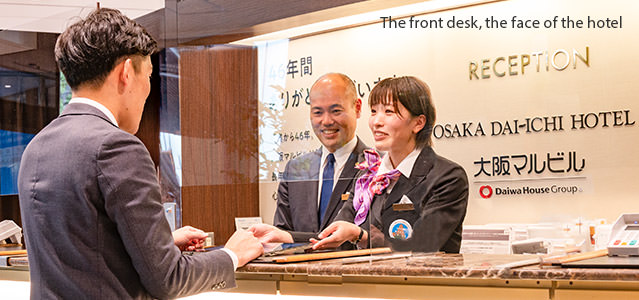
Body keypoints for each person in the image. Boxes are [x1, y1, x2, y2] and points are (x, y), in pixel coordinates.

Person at [17, 8, 262, 299]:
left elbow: (81, 249)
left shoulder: (36, 147)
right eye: (148, 74)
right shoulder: (116, 147)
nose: (148, 89)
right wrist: (231, 255)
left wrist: (162, 243)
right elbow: (169, 279)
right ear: (126, 73)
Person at [311, 76, 469, 253]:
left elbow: (423, 246)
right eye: (373, 111)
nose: (377, 122)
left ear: (418, 123)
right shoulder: (367, 176)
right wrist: (289, 237)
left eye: (388, 112)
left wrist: (360, 236)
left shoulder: (447, 177)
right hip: (362, 279)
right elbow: (338, 232)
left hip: (420, 279)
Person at [252, 73, 368, 243]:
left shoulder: (376, 167)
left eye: (336, 111)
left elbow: (375, 239)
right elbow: (281, 236)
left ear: (357, 108)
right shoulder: (296, 168)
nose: (326, 121)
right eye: (318, 112)